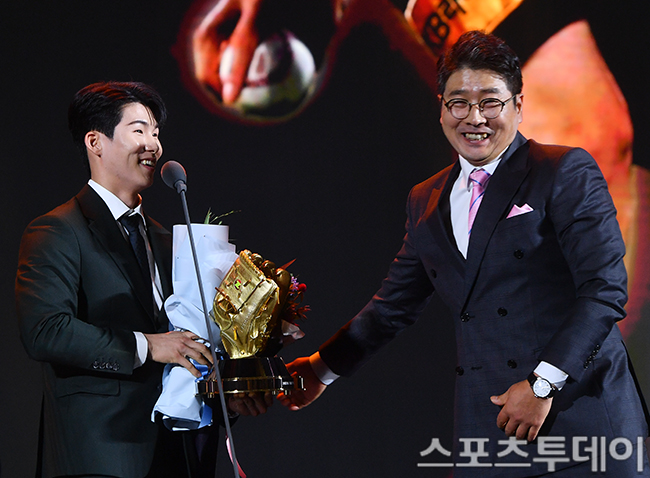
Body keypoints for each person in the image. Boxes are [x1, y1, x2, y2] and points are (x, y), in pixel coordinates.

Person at [278, 31, 650, 476]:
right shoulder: (425, 199)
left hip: (581, 426)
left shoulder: (562, 170)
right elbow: (392, 307)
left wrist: (542, 384)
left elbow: (603, 290)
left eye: (490, 102)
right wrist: (320, 369)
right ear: (441, 108)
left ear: (518, 105)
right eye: (459, 103)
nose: (475, 118)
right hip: (489, 429)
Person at [15, 81, 270, 478]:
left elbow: (184, 343)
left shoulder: (166, 240)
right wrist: (148, 345)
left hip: (178, 457)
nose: (154, 145)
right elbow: (46, 331)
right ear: (95, 142)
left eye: (156, 133)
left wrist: (223, 394)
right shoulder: (57, 231)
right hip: (101, 458)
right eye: (139, 130)